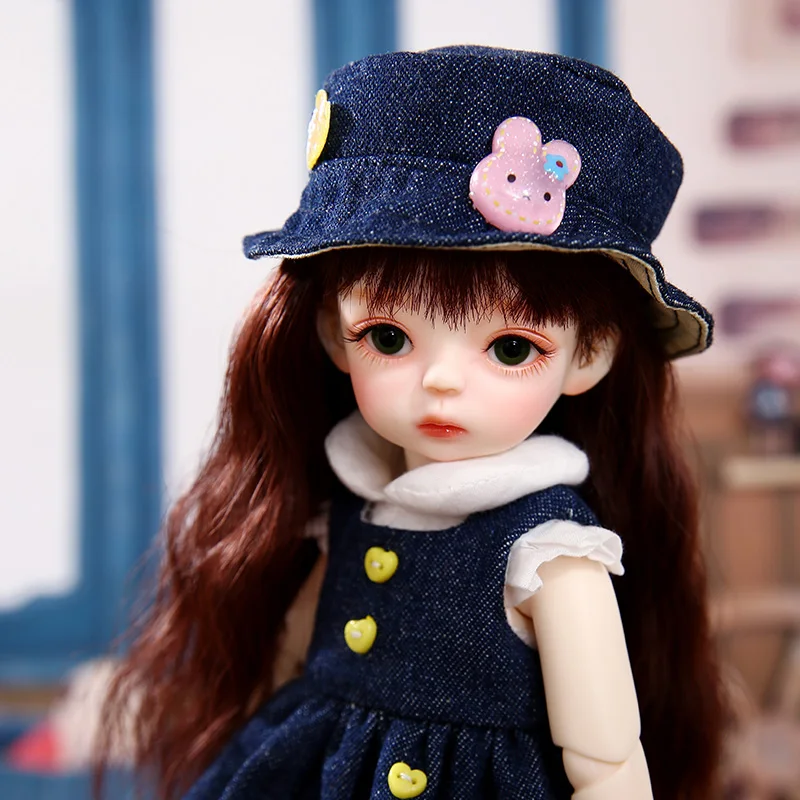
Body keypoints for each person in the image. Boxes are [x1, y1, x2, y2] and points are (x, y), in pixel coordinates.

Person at [99, 47, 725, 799]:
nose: (440, 382)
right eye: (389, 337)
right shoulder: (345, 509)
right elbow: (293, 665)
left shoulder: (553, 554)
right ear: (334, 336)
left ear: (588, 355)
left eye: (511, 348)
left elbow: (606, 757)